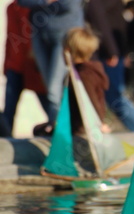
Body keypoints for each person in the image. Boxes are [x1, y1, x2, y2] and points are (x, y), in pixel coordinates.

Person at [17, 0, 84, 133]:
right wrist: (47, 1)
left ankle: (60, 131)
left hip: (64, 35)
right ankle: (59, 126)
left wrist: (40, 3)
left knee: (54, 87)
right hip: (40, 34)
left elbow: (68, 5)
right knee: (49, 86)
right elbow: (22, 2)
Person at [84, 0, 134, 131]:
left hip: (108, 54)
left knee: (114, 96)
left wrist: (112, 51)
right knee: (113, 95)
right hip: (112, 51)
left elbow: (101, 23)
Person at [3, 1, 52, 137]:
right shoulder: (12, 8)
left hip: (34, 65)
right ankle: (5, 142)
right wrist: (6, 65)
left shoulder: (36, 7)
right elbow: (10, 37)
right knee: (9, 109)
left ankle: (61, 136)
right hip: (15, 65)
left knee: (49, 103)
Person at [64, 27, 110, 135]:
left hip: (83, 130)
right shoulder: (84, 72)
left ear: (68, 50)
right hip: (79, 127)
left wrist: (99, 124)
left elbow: (91, 101)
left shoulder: (84, 76)